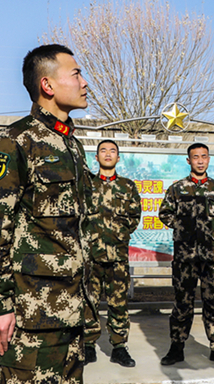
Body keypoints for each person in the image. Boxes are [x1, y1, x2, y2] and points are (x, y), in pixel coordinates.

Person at [0, 44, 93, 384]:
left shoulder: (71, 145)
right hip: (28, 318)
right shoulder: (15, 141)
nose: (85, 83)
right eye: (77, 74)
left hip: (69, 313)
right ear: (47, 86)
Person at [158, 143, 214, 366]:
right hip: (185, 255)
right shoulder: (177, 188)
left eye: (204, 156)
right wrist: (183, 227)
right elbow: (164, 213)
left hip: (211, 254)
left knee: (213, 301)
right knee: (182, 302)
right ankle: (176, 347)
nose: (200, 161)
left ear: (209, 159)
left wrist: (213, 227)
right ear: (189, 161)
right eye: (196, 157)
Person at [82, 139, 141, 368]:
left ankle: (119, 347)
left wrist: (119, 234)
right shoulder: (87, 186)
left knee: (118, 303)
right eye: (103, 151)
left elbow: (134, 217)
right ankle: (88, 345)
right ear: (96, 158)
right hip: (91, 255)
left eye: (112, 151)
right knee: (89, 301)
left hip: (117, 256)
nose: (108, 154)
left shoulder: (127, 186)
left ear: (118, 157)